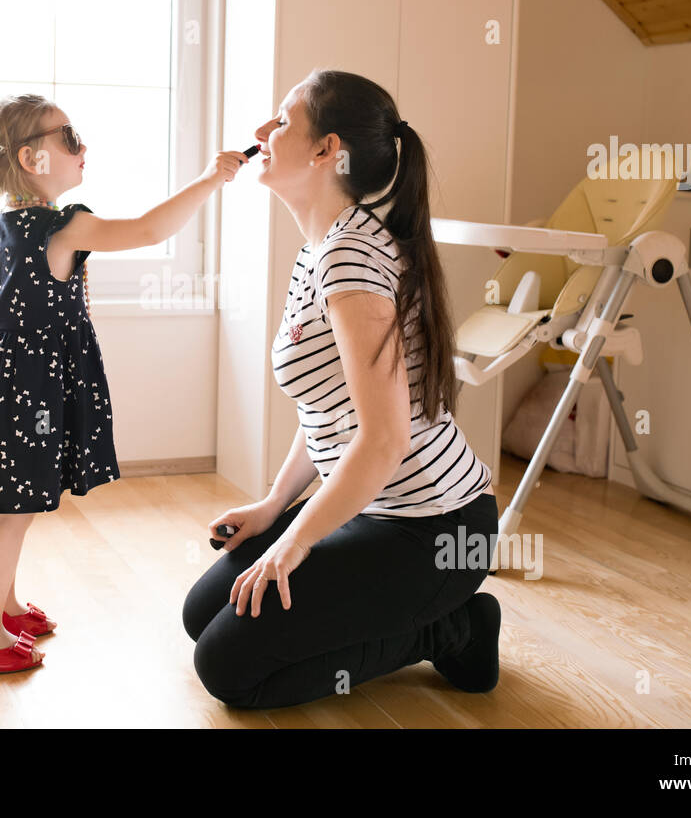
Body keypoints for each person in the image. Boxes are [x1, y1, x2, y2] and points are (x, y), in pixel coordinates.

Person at [182, 69, 502, 708]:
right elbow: (332, 405)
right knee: (202, 615)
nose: (261, 134)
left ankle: (455, 625)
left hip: (433, 529)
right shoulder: (323, 247)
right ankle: (386, 611)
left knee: (228, 667)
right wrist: (276, 506)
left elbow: (384, 439)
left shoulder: (349, 257)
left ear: (328, 151)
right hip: (368, 506)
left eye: (281, 120)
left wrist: (298, 542)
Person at [0, 93, 251, 674]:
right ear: (31, 158)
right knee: (16, 508)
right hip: (35, 383)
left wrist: (17, 330)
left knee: (15, 496)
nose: (81, 147)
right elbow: (148, 231)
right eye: (68, 137)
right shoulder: (59, 225)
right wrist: (209, 179)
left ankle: (5, 604)